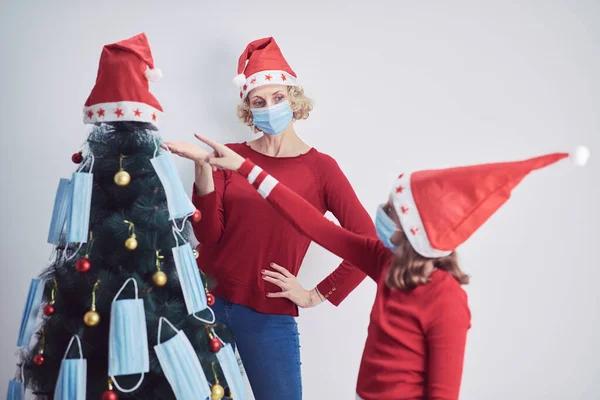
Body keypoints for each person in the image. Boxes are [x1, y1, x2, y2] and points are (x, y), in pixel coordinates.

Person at [191, 135, 589, 399]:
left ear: (415, 231)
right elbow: (311, 221)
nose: (380, 214)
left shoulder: (446, 299)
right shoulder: (383, 261)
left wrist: (314, 296)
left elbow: (443, 392)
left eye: (391, 211)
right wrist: (246, 168)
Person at [165, 37, 376, 400]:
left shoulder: (321, 169)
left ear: (294, 99)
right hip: (204, 304)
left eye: (278, 98)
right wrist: (202, 168)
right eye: (258, 101)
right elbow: (209, 235)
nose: (270, 107)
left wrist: (314, 294)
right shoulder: (227, 157)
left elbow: (368, 243)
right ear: (248, 108)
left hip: (268, 313)